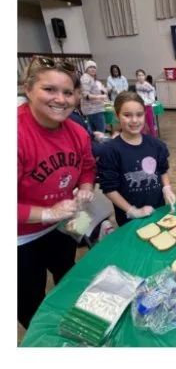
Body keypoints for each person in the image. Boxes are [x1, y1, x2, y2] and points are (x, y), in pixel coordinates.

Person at [18, 58, 97, 330]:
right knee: (30, 299)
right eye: (49, 89)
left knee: (67, 276)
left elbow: (88, 168)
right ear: (28, 89)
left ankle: (72, 329)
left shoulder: (77, 131)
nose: (61, 100)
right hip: (20, 237)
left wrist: (85, 187)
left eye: (67, 92)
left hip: (62, 226)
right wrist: (47, 212)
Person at [96, 91, 173, 224]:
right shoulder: (110, 151)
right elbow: (109, 188)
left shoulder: (156, 145)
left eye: (139, 114)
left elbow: (162, 170)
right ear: (117, 115)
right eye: (127, 115)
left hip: (158, 210)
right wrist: (132, 210)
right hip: (129, 219)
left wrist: (167, 187)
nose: (135, 120)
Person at [80, 61, 109, 133]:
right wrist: (100, 96)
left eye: (94, 67)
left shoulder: (90, 78)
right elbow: (86, 95)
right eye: (90, 67)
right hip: (94, 109)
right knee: (101, 131)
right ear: (86, 69)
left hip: (94, 108)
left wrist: (102, 91)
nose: (93, 69)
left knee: (94, 132)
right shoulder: (86, 79)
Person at [133, 68, 158, 137]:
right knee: (141, 125)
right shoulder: (137, 84)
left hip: (147, 107)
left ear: (145, 76)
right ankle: (142, 139)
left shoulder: (149, 86)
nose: (140, 77)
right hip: (140, 107)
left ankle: (154, 139)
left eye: (142, 75)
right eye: (139, 75)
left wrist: (144, 103)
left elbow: (152, 99)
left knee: (150, 125)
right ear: (136, 77)